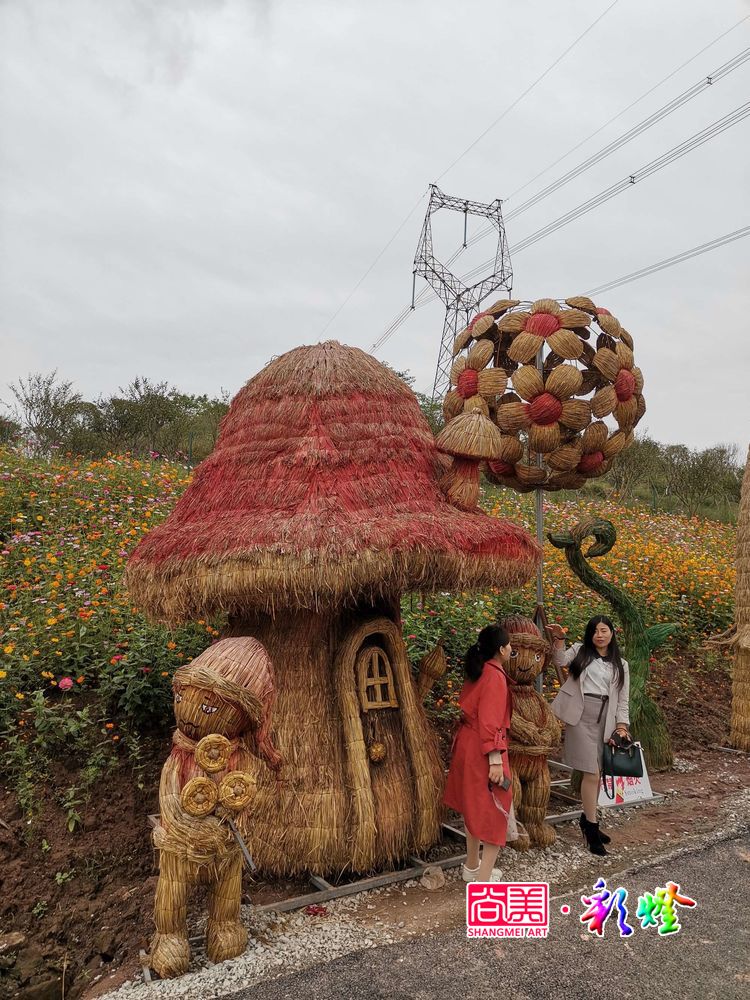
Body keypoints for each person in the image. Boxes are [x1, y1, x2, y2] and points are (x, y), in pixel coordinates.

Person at [547, 615, 631, 856]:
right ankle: (592, 829)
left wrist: (622, 725)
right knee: (591, 772)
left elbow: (623, 698)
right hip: (581, 715)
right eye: (595, 631)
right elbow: (559, 660)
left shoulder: (621, 664)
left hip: (606, 719)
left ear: (612, 633)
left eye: (604, 630)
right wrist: (560, 639)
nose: (599, 635)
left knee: (598, 772)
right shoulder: (580, 651)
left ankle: (587, 820)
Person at [444, 624, 517, 882]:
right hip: (484, 749)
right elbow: (490, 722)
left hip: (467, 744)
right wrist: (495, 760)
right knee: (496, 809)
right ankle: (483, 880)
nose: (511, 648)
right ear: (500, 649)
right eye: (509, 644)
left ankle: (472, 866)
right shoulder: (495, 676)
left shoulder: (478, 670)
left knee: (471, 806)